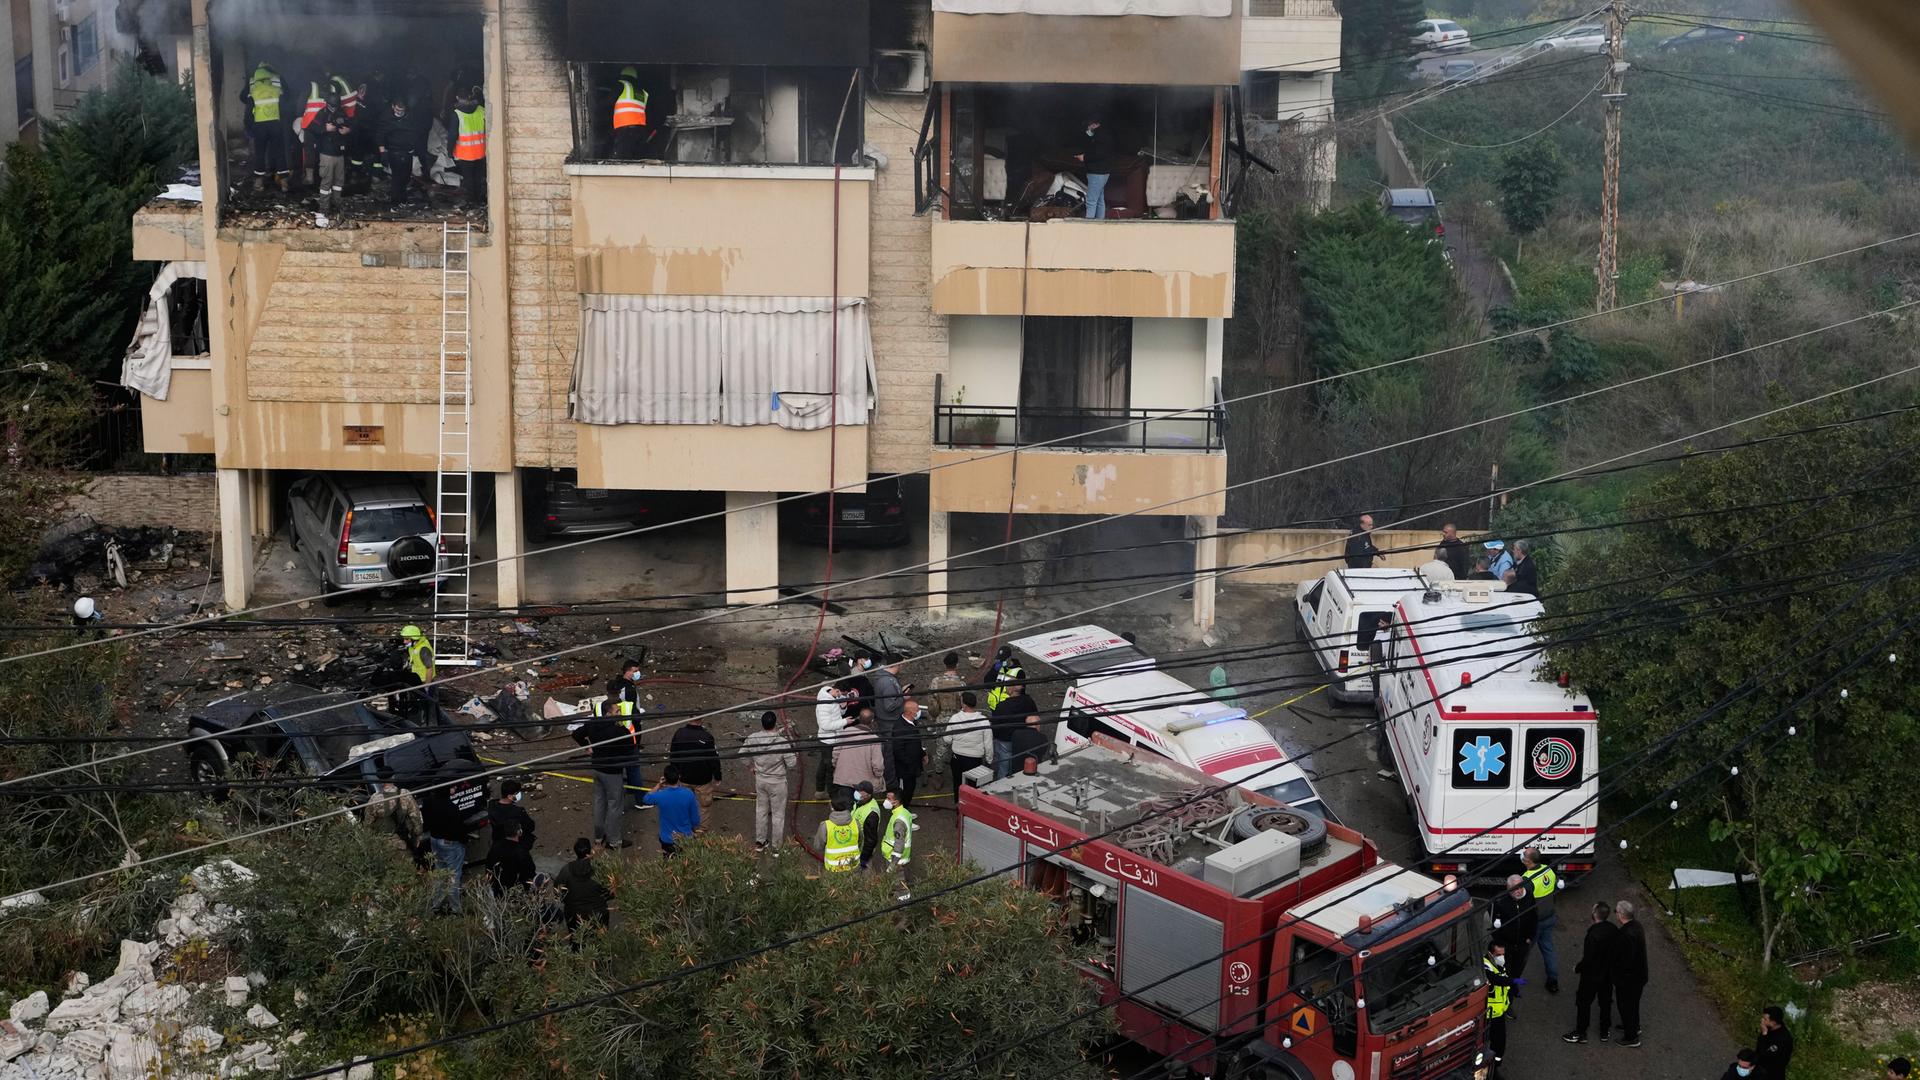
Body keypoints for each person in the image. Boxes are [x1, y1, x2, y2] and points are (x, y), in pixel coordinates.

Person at [419, 765, 489, 914]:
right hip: (450, 843)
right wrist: (464, 839)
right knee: (453, 876)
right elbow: (458, 829)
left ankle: (435, 905)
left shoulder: (429, 802)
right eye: (452, 787)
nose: (454, 789)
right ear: (446, 790)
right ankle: (456, 908)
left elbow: (426, 823)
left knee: (439, 873)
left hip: (435, 841)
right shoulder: (451, 807)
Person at [573, 708, 638, 848]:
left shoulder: (593, 723)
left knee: (599, 801)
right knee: (615, 804)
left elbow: (576, 734)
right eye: (616, 711)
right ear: (608, 713)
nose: (620, 713)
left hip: (597, 768)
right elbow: (631, 745)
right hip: (612, 772)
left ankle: (598, 836)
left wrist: (587, 747)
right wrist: (622, 726)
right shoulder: (617, 730)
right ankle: (614, 840)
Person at [1562, 901, 1617, 1044]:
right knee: (1605, 1002)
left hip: (1591, 976)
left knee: (1583, 1002)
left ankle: (1581, 1032)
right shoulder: (1613, 929)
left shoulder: (1593, 935)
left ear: (1594, 914)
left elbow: (1589, 959)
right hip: (1607, 975)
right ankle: (1605, 1030)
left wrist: (1578, 968)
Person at [742, 711, 797, 853]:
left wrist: (751, 767)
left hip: (760, 780)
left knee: (761, 811)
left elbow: (742, 754)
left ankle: (760, 842)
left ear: (762, 724)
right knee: (778, 815)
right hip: (778, 783)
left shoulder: (753, 738)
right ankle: (776, 847)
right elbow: (792, 763)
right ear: (775, 724)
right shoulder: (782, 742)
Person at [242, 61, 288, 192]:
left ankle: (258, 183)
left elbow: (248, 113)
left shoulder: (253, 93)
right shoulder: (276, 90)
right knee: (280, 152)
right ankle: (284, 183)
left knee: (260, 154)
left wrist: (249, 127)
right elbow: (285, 104)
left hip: (259, 126)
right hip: (275, 124)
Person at [553, 837, 612, 938]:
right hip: (598, 914)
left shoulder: (566, 871)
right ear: (589, 851)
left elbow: (557, 891)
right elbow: (611, 891)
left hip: (575, 915)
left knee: (577, 942)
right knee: (601, 942)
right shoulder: (600, 869)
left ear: (575, 851)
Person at [1521, 847, 1561, 991]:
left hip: (1535, 922)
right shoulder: (1548, 870)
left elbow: (1523, 903)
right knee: (1548, 948)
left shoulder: (1527, 880)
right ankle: (1553, 980)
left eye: (1524, 855)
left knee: (1523, 951)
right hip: (1550, 916)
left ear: (1528, 861)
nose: (1522, 856)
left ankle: (1514, 979)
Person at [1610, 899, 1649, 1047]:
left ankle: (1631, 1037)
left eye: (1616, 911)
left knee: (1625, 1005)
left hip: (1629, 980)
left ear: (1620, 914)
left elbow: (1625, 960)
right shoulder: (1636, 926)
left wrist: (1616, 975)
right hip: (1639, 976)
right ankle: (1633, 1026)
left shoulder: (1625, 934)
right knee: (1633, 1004)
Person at [639, 765, 701, 856]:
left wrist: (658, 785)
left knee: (669, 863)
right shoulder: (688, 794)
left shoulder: (660, 795)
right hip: (686, 837)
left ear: (665, 778)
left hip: (667, 839)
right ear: (679, 776)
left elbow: (646, 798)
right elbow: (695, 819)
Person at [376, 96, 425, 206]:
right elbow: (380, 136)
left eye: (401, 110)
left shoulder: (409, 117)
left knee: (406, 176)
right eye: (397, 110)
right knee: (397, 177)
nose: (399, 112)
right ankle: (395, 202)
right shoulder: (386, 119)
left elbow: (415, 132)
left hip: (407, 152)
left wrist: (415, 147)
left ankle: (403, 200)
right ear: (393, 107)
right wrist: (383, 152)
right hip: (394, 152)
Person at [668, 715, 721, 818]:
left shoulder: (679, 733)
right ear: (701, 720)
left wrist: (674, 773)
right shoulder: (707, 737)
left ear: (689, 718)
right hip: (703, 780)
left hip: (683, 777)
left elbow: (673, 755)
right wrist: (718, 776)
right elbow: (713, 758)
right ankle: (701, 831)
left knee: (684, 805)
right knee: (703, 807)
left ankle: (686, 829)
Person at [310, 91, 352, 220]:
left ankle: (337, 203)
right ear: (327, 103)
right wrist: (324, 129)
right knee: (326, 182)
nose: (334, 107)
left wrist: (348, 130)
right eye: (332, 104)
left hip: (339, 153)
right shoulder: (321, 114)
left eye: (336, 104)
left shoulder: (342, 112)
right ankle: (324, 207)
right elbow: (312, 128)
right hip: (326, 153)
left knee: (339, 182)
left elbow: (349, 125)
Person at [832, 707, 886, 801]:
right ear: (872, 720)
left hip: (843, 778)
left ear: (859, 719)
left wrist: (836, 767)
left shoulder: (846, 731)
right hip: (863, 784)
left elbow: (836, 752)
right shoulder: (874, 739)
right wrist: (879, 776)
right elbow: (877, 765)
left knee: (845, 806)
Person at [990, 677, 1039, 780]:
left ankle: (1001, 787)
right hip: (1024, 740)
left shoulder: (1001, 706)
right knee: (1019, 765)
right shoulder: (1028, 701)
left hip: (1005, 741)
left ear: (1011, 689)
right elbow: (1035, 718)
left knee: (1004, 767)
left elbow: (995, 727)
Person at [1490, 874, 1537, 978]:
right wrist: (1498, 944)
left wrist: (1530, 937)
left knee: (1518, 968)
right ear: (1508, 888)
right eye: (1515, 888)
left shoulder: (1529, 897)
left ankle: (1515, 986)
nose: (1519, 891)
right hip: (1506, 945)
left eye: (1521, 887)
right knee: (1505, 969)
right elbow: (1493, 925)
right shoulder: (1499, 901)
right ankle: (1508, 990)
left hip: (1523, 943)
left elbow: (1534, 918)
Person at [944, 690, 992, 790]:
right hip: (975, 760)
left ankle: (958, 803)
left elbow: (947, 739)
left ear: (964, 704)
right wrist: (989, 760)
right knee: (974, 787)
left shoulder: (954, 718)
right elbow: (988, 743)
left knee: (958, 784)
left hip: (957, 758)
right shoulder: (983, 721)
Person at [447, 86, 486, 206]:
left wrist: (449, 150)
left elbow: (453, 134)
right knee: (479, 176)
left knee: (468, 178)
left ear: (457, 98)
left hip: (465, 153)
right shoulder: (481, 109)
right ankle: (480, 199)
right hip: (481, 151)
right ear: (470, 96)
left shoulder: (457, 114)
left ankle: (471, 200)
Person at [869, 662, 907, 786]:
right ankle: (891, 784)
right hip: (889, 722)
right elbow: (890, 705)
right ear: (897, 665)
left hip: (884, 720)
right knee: (889, 754)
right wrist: (902, 697)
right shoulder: (888, 683)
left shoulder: (881, 678)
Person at [877, 785, 915, 900]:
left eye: (889, 799)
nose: (886, 801)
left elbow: (899, 843)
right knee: (898, 879)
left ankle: (903, 903)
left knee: (899, 881)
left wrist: (893, 863)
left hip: (895, 857)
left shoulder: (898, 820)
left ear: (896, 802)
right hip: (897, 855)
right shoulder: (904, 812)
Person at [813, 683, 851, 795]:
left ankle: (819, 790)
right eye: (842, 694)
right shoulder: (824, 704)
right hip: (828, 741)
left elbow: (837, 714)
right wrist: (844, 722)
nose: (842, 697)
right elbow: (826, 725)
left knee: (824, 765)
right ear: (837, 690)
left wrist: (843, 707)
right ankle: (831, 793)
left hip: (834, 739)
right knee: (830, 768)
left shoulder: (833, 697)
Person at [890, 698, 928, 807]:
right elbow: (898, 751)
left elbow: (915, 744)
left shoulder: (911, 723)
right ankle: (902, 813)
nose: (918, 711)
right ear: (909, 712)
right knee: (903, 793)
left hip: (911, 768)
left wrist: (922, 754)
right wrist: (911, 762)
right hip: (905, 770)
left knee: (910, 790)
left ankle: (906, 811)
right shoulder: (900, 728)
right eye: (916, 710)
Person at [1484, 941, 1514, 1077]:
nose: (1501, 957)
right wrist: (1513, 981)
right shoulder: (1485, 966)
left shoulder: (1500, 965)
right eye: (1498, 954)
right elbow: (1495, 979)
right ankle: (1489, 1071)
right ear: (1491, 953)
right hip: (1487, 1015)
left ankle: (1495, 1068)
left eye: (1503, 954)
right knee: (1483, 1045)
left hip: (1498, 1013)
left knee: (1500, 1044)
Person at [1075, 118, 1114, 219]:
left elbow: (1099, 153)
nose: (1088, 128)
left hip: (1097, 172)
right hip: (1104, 171)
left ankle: (1089, 224)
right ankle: (1099, 222)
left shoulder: (1099, 136)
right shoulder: (1106, 134)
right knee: (1100, 199)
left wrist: (1084, 157)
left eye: (1089, 125)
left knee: (1091, 200)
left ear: (1094, 124)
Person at [610, 65, 650, 159]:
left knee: (620, 160)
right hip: (640, 130)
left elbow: (607, 103)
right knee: (636, 160)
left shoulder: (622, 85)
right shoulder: (643, 92)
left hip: (625, 130)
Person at [814, 790, 860, 873]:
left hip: (833, 868)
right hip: (853, 866)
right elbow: (860, 841)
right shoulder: (856, 823)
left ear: (831, 807)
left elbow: (818, 846)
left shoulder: (825, 826)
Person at [488, 778, 536, 856]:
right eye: (516, 793)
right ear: (510, 796)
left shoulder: (492, 805)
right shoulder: (518, 812)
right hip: (515, 845)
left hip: (498, 842)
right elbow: (530, 826)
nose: (518, 795)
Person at [398, 624, 434, 719]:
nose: (404, 641)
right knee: (417, 702)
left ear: (414, 639)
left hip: (424, 681)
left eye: (407, 639)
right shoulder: (413, 646)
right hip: (416, 680)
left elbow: (429, 668)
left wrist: (427, 686)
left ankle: (427, 721)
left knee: (427, 705)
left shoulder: (423, 649)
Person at [490, 822, 538, 894]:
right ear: (519, 832)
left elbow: (489, 868)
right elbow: (530, 874)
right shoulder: (522, 853)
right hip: (517, 891)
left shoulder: (494, 848)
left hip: (498, 889)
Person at [850, 781, 883, 871]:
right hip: (857, 845)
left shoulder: (871, 814)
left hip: (863, 849)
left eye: (860, 791)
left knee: (865, 872)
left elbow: (871, 840)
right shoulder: (860, 802)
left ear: (868, 795)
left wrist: (864, 858)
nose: (856, 792)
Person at [1755, 1005, 1793, 1080]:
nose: (1762, 1021)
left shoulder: (1783, 1039)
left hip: (1772, 1073)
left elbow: (1765, 1054)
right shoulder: (1769, 1028)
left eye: (1765, 1019)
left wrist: (1764, 1034)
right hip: (1760, 1068)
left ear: (1773, 1022)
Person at [928, 652, 966, 719]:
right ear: (957, 665)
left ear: (945, 664)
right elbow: (964, 705)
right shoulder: (962, 685)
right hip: (956, 720)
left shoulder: (935, 681)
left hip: (940, 719)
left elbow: (931, 702)